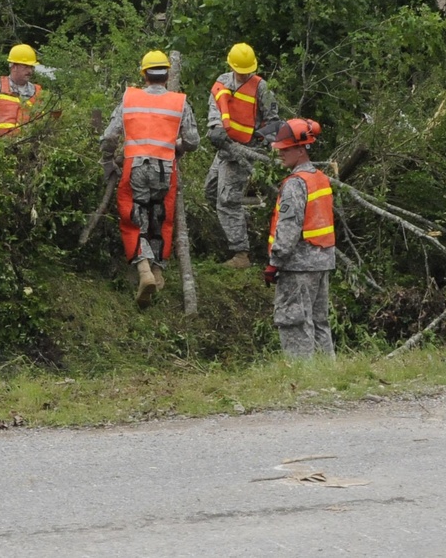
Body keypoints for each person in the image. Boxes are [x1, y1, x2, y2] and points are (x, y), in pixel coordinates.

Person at [99, 50, 200, 307]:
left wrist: (108, 161)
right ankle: (158, 270)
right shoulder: (180, 102)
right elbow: (193, 141)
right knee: (161, 217)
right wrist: (177, 147)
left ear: (144, 74)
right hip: (166, 169)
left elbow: (109, 137)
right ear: (167, 74)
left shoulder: (129, 98)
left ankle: (143, 269)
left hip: (135, 167)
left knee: (133, 216)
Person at [264, 118, 336, 359]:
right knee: (319, 322)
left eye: (285, 149)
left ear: (301, 149)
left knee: (293, 321)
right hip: (322, 261)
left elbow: (288, 227)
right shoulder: (321, 178)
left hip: (298, 264)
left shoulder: (295, 184)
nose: (281, 154)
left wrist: (275, 262)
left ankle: (302, 377)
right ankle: (327, 376)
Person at [205, 42, 280, 268]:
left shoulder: (261, 88)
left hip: (245, 152)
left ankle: (241, 254)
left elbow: (274, 122)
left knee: (227, 200)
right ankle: (233, 234)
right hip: (224, 149)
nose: (244, 73)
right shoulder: (223, 82)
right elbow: (214, 109)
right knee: (211, 192)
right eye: (241, 69)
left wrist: (262, 139)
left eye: (248, 70)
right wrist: (215, 127)